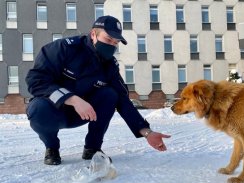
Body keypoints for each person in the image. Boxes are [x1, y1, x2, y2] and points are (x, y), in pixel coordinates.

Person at [26, 15, 171, 165]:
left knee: (110, 94)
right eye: (108, 39)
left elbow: (123, 100)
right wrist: (72, 99)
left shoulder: (110, 66)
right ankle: (52, 148)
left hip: (84, 114)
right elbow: (35, 80)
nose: (112, 45)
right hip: (54, 110)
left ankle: (92, 149)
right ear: (93, 34)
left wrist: (147, 132)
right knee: (37, 108)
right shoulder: (64, 48)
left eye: (115, 43)